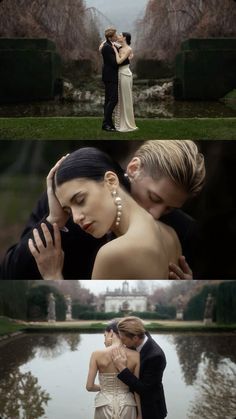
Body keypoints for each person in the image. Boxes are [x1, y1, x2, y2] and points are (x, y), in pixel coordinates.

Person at [0, 140, 205, 280]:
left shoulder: (180, 230)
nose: (156, 214)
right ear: (133, 169)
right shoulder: (67, 195)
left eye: (169, 208)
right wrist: (55, 219)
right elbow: (10, 274)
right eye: (154, 198)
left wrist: (184, 287)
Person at [112, 316, 167, 419]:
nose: (121, 343)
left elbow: (145, 389)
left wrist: (122, 368)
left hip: (150, 410)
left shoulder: (155, 356)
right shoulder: (138, 338)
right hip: (131, 405)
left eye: (123, 339)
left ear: (135, 338)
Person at [86, 319, 142, 419]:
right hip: (127, 404)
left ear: (111, 333)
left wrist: (105, 387)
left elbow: (89, 387)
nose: (104, 340)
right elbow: (137, 388)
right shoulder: (135, 355)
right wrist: (140, 414)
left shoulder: (96, 354)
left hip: (104, 404)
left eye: (105, 335)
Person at [112, 32, 138, 132]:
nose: (118, 37)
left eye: (119, 35)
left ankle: (127, 123)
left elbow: (119, 62)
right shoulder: (120, 47)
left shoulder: (128, 49)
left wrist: (115, 51)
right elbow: (102, 46)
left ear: (124, 38)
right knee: (120, 99)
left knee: (126, 98)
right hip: (119, 73)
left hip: (125, 74)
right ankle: (119, 123)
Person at [101, 28, 119, 131]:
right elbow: (114, 63)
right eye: (115, 36)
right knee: (113, 99)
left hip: (109, 76)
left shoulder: (109, 46)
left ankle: (107, 123)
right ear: (110, 37)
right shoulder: (107, 47)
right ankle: (106, 123)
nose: (116, 37)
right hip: (110, 77)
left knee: (109, 100)